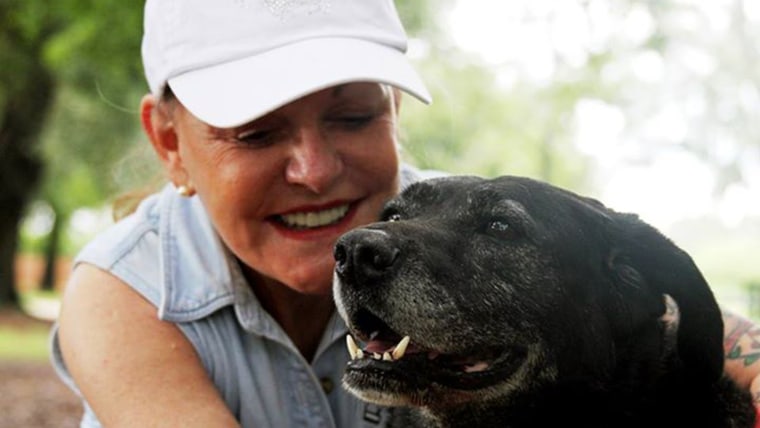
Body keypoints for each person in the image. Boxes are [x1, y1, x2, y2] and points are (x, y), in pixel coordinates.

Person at [49, 1, 760, 427]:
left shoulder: (438, 220)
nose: (316, 170)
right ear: (170, 144)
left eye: (354, 116)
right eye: (257, 134)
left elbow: (656, 315)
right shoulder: (125, 290)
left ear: (393, 110)